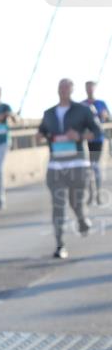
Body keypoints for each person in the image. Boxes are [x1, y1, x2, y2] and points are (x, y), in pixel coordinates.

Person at [37, 78, 103, 259]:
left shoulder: (83, 110)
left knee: (76, 204)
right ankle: (60, 245)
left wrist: (79, 135)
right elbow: (42, 131)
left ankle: (82, 220)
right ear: (57, 90)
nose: (63, 90)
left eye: (67, 87)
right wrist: (40, 135)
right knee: (58, 206)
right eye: (61, 87)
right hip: (55, 165)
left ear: (72, 90)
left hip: (77, 165)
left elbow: (97, 132)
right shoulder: (49, 113)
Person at [83, 80, 110, 205]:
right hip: (84, 140)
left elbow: (108, 117)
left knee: (94, 166)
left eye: (91, 88)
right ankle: (91, 194)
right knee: (87, 168)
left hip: (97, 139)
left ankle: (98, 194)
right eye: (87, 88)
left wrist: (104, 115)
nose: (89, 90)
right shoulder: (82, 105)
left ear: (94, 89)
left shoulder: (101, 103)